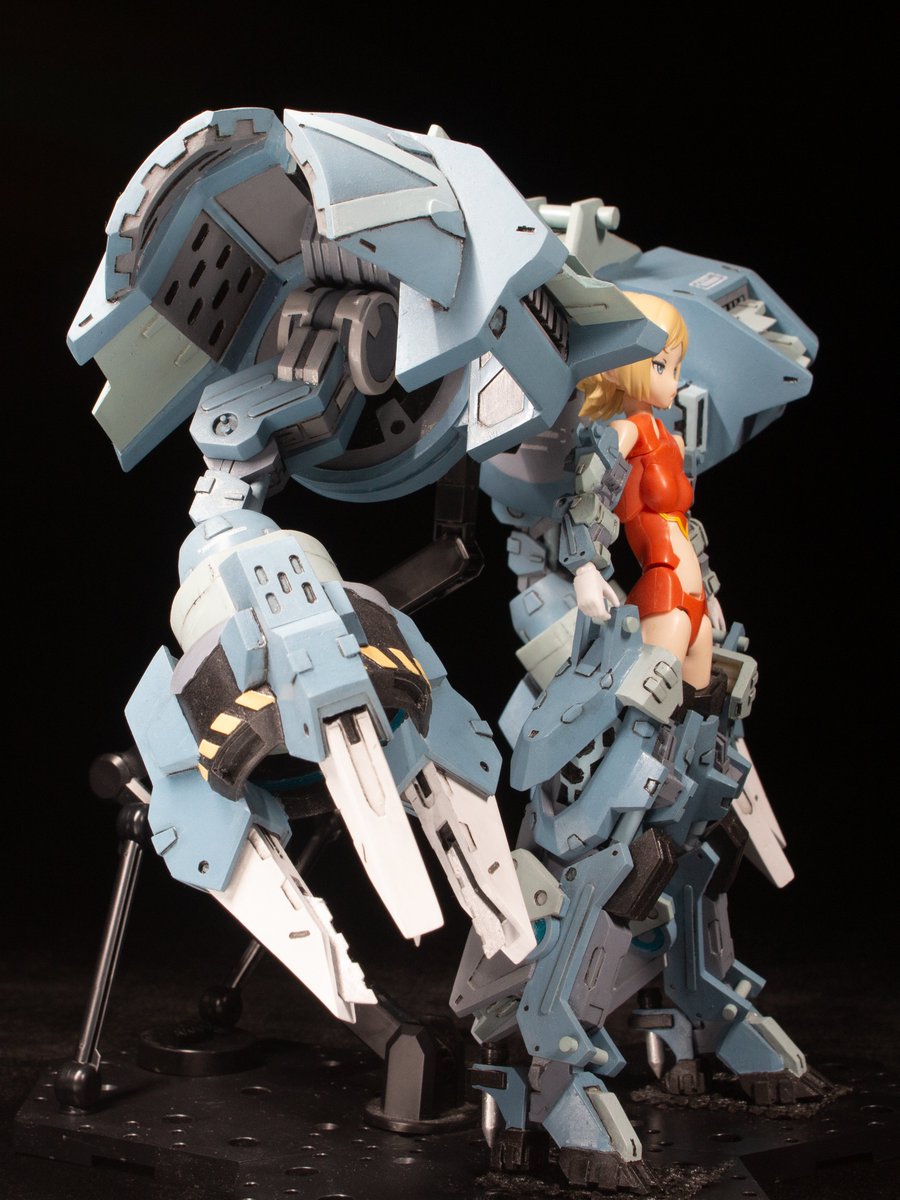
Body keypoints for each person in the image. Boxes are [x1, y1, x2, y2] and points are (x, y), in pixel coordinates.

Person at [575, 292, 713, 690]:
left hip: (697, 603)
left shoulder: (673, 443)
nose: (673, 380)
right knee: (644, 711)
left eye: (676, 367)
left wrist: (710, 589)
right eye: (660, 365)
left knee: (700, 713)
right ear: (617, 367)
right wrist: (585, 568)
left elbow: (686, 527)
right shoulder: (627, 432)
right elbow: (589, 497)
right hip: (664, 594)